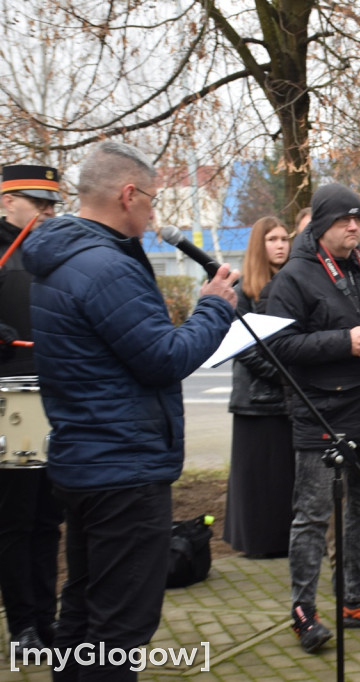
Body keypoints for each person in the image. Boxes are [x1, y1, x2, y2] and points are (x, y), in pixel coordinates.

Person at [21, 141, 238, 679]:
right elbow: (164, 358)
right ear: (128, 194)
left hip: (86, 461)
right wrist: (214, 305)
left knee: (82, 611)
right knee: (120, 627)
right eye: (153, 201)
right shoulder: (105, 268)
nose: (154, 214)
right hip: (124, 470)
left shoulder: (63, 258)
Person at [266, 183, 360, 652]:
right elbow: (278, 347)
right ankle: (302, 612)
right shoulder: (295, 276)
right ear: (322, 225)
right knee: (311, 516)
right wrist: (343, 342)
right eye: (345, 221)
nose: (354, 227)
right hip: (321, 413)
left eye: (359, 220)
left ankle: (356, 600)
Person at [0, 164, 64, 652]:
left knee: (49, 517)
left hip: (59, 396)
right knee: (19, 517)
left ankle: (47, 618)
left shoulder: (52, 251)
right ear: (6, 201)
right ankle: (22, 623)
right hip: (17, 400)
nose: (46, 211)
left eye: (51, 204)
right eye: (35, 202)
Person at [224, 216, 294, 557]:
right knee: (257, 479)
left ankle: (283, 540)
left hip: (287, 398)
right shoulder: (243, 291)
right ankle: (258, 542)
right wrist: (284, 376)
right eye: (273, 239)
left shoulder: (293, 284)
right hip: (255, 398)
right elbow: (245, 350)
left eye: (284, 238)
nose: (281, 244)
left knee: (283, 476)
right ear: (258, 245)